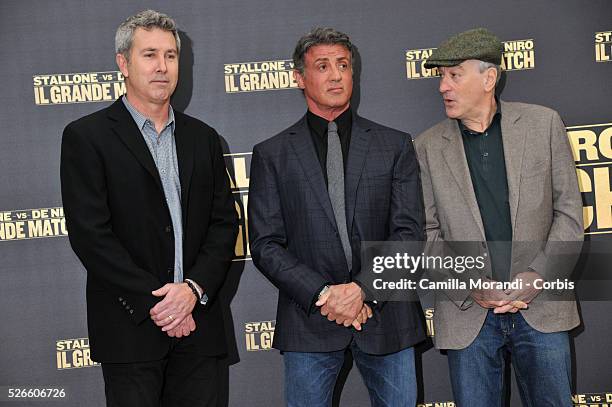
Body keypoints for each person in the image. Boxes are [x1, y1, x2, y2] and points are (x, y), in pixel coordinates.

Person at [60, 10, 237, 407]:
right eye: (150, 55)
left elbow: (223, 225)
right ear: (123, 63)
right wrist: (159, 303)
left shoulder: (204, 138)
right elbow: (91, 236)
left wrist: (191, 291)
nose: (162, 67)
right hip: (130, 329)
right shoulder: (86, 137)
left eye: (171, 56)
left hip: (199, 327)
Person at [248, 27, 425, 407]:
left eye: (343, 65)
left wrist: (362, 290)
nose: (335, 75)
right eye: (323, 66)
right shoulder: (272, 154)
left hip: (386, 313)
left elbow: (409, 232)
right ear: (299, 77)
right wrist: (325, 294)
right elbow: (265, 244)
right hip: (309, 319)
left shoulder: (394, 145)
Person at [415, 28, 583, 407]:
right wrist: (472, 284)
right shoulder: (426, 147)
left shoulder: (544, 125)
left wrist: (539, 275)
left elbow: (569, 214)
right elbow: (426, 234)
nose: (443, 86)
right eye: (441, 77)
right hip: (467, 316)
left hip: (541, 308)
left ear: (489, 78)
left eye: (454, 75)